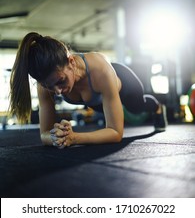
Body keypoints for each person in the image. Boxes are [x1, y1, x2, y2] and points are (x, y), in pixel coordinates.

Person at [9, 32, 167, 148]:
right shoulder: (46, 82)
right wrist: (58, 136)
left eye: (61, 81)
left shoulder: (100, 70)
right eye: (50, 86)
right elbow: (44, 134)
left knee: (137, 107)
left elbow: (115, 132)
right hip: (99, 101)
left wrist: (74, 138)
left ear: (71, 62)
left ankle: (158, 107)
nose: (57, 91)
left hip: (124, 83)